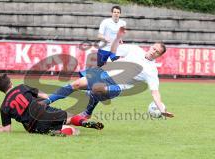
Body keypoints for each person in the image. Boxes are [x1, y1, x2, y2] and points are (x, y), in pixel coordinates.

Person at [41, 27, 174, 119]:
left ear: (159, 56)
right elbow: (114, 51)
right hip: (106, 74)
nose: (153, 51)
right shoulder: (135, 49)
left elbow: (155, 92)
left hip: (117, 87)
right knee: (76, 84)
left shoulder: (151, 71)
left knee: (95, 90)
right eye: (153, 48)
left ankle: (87, 109)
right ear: (151, 46)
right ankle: (47, 101)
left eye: (157, 52)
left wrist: (161, 109)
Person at [0, 74, 104, 136]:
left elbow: (7, 129)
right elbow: (45, 97)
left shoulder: (4, 107)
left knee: (71, 131)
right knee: (70, 119)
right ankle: (83, 122)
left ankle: (58, 131)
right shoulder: (22, 87)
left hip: (32, 127)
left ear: (1, 89)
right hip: (43, 112)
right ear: (11, 83)